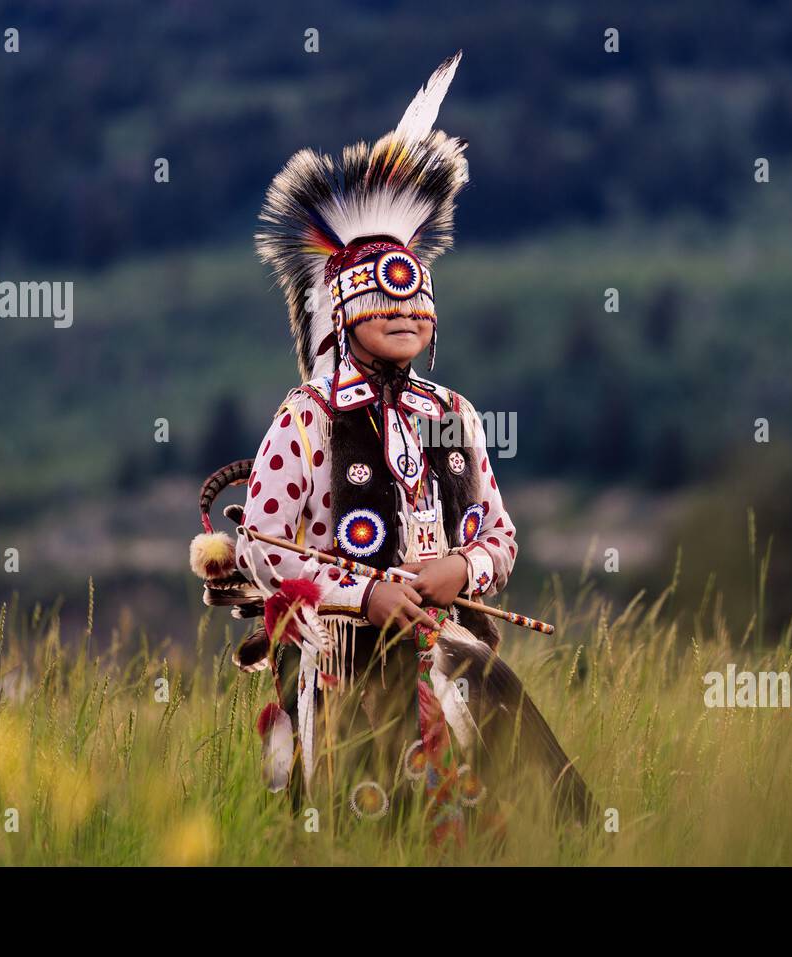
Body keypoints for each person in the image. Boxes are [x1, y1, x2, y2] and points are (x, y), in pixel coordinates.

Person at [191, 52, 592, 837]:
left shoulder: (451, 413)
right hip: (344, 662)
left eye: (417, 305)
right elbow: (265, 545)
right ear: (341, 313)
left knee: (492, 823)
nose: (404, 315)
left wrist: (458, 569)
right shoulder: (306, 416)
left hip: (452, 659)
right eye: (382, 302)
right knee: (368, 822)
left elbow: (500, 536)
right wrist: (363, 593)